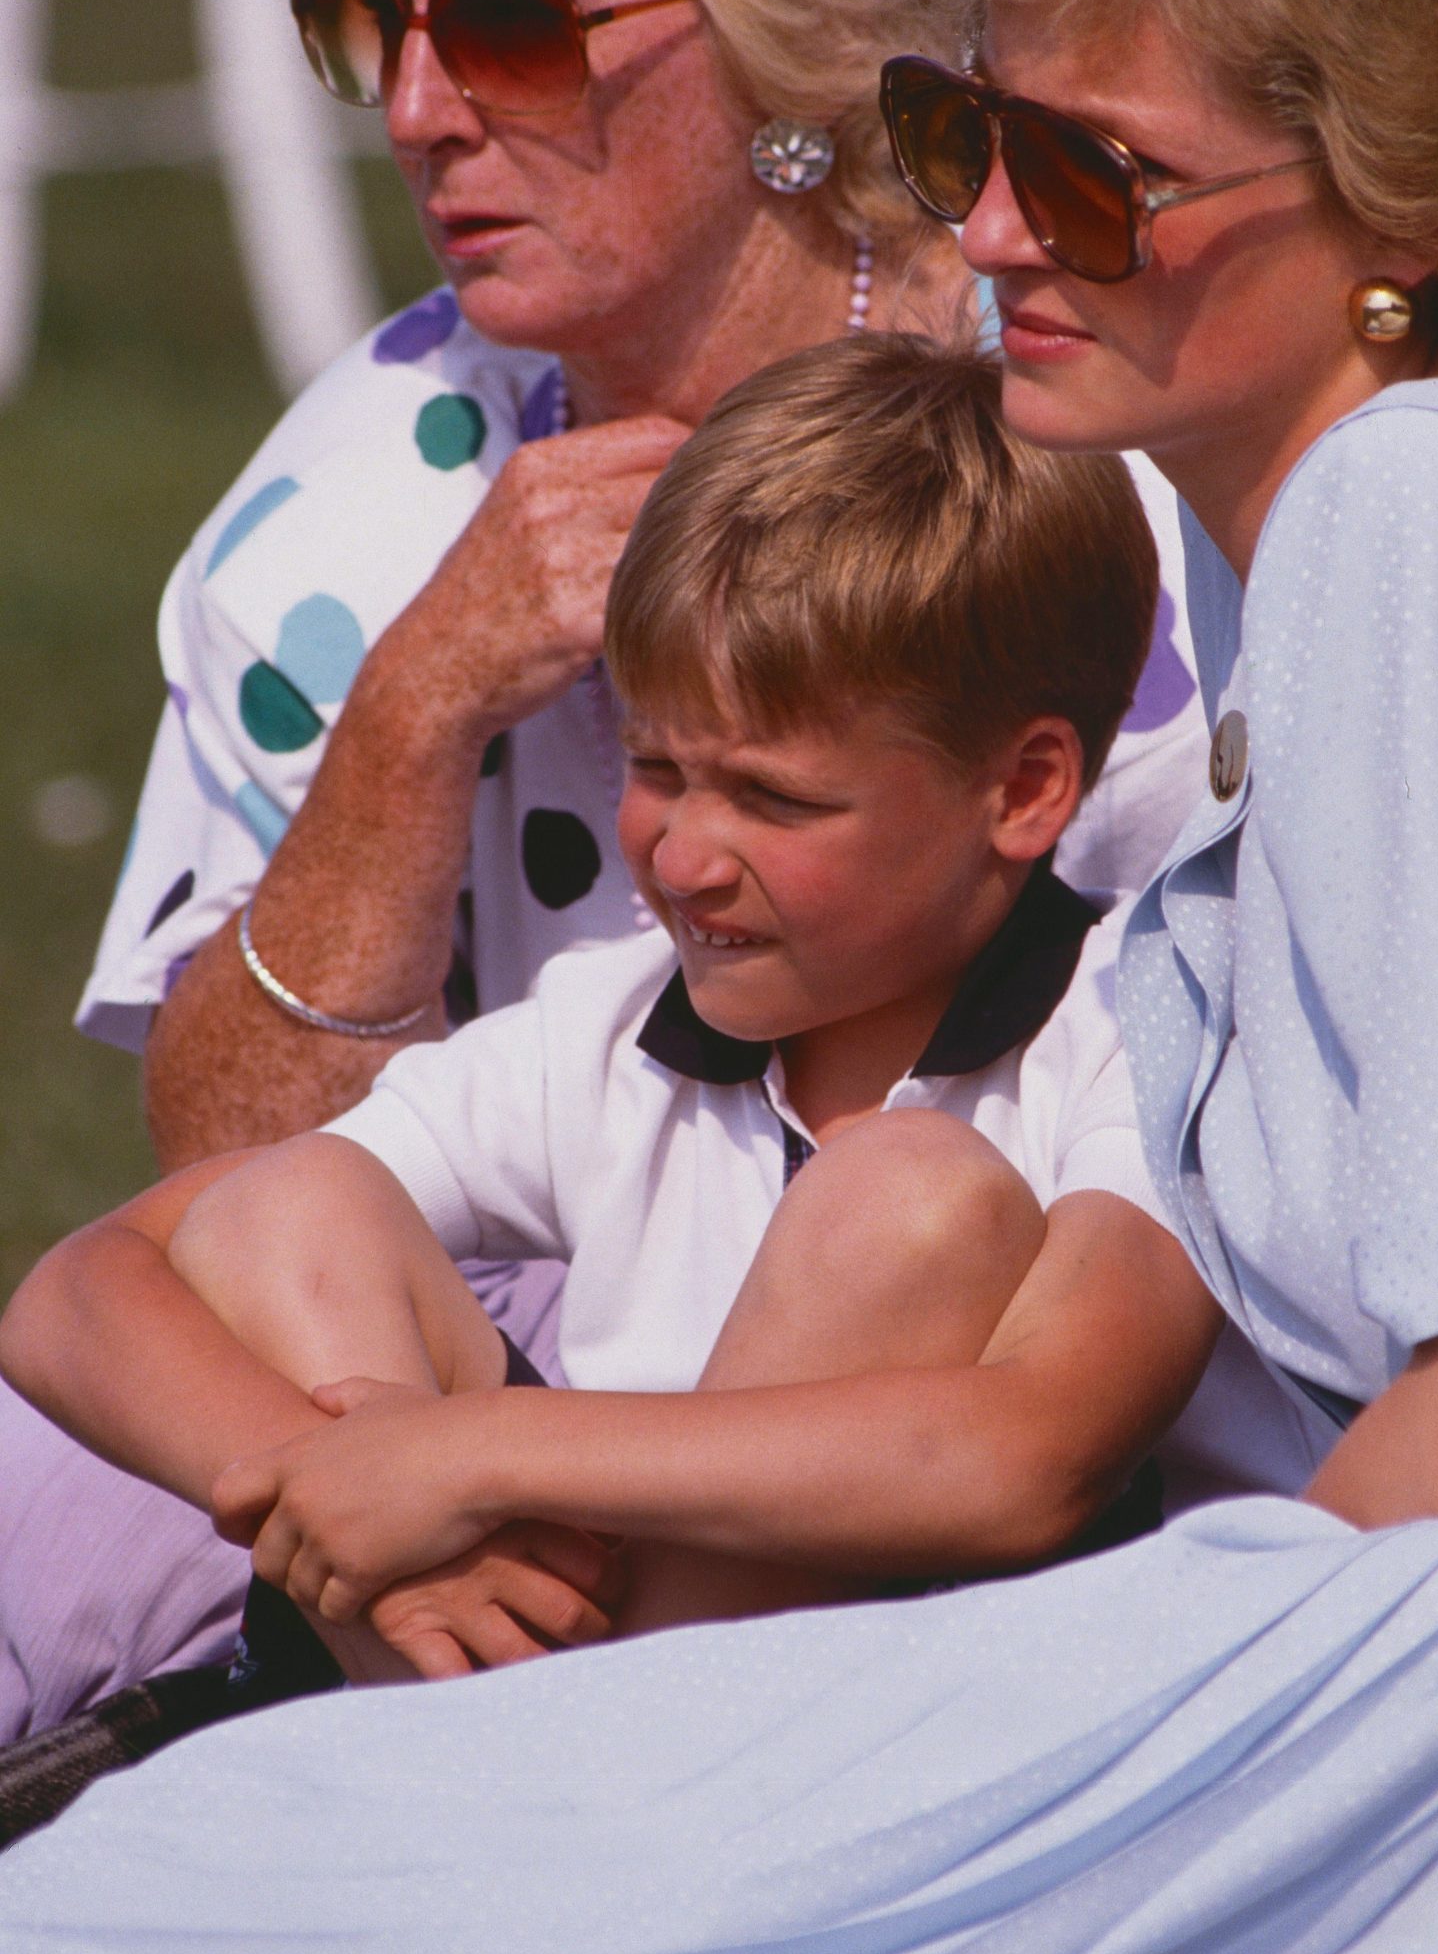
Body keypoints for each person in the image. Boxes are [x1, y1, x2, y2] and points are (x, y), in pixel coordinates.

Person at [16, 0, 1438, 1954]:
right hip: (1350, 1630)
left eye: (1083, 176)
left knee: (202, 1905)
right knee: (222, 1880)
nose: (993, 236)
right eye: (970, 144)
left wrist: (1043, 1707)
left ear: (1393, 216)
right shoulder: (1355, 562)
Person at [0, 0, 1208, 1743]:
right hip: (482, 1317)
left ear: (769, 37)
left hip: (1003, 1355)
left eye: (505, 23)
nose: (413, 106)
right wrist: (419, 699)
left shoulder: (1061, 450)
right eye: (374, 17)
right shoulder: (361, 486)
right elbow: (213, 1182)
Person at [1, 336, 1240, 1720]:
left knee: (906, 1195)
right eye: (656, 769)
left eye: (773, 800)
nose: (687, 855)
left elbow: (1030, 1455)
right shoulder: (609, 1023)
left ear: (1021, 791)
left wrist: (483, 1460)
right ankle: (507, 1774)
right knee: (288, 1205)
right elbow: (79, 1291)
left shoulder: (1133, 1022)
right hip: (498, 1676)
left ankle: (547, 1786)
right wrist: (360, 1513)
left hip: (884, 1723)